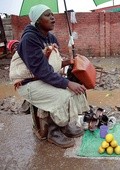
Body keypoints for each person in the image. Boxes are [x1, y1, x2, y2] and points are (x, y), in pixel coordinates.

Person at [9, 4, 90, 148]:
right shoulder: (29, 39)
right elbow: (41, 70)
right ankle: (53, 132)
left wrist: (70, 61)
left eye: (52, 14)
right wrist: (67, 83)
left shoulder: (50, 37)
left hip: (42, 78)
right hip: (28, 83)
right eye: (47, 15)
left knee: (76, 92)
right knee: (62, 96)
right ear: (38, 21)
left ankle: (64, 126)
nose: (53, 18)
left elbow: (52, 65)